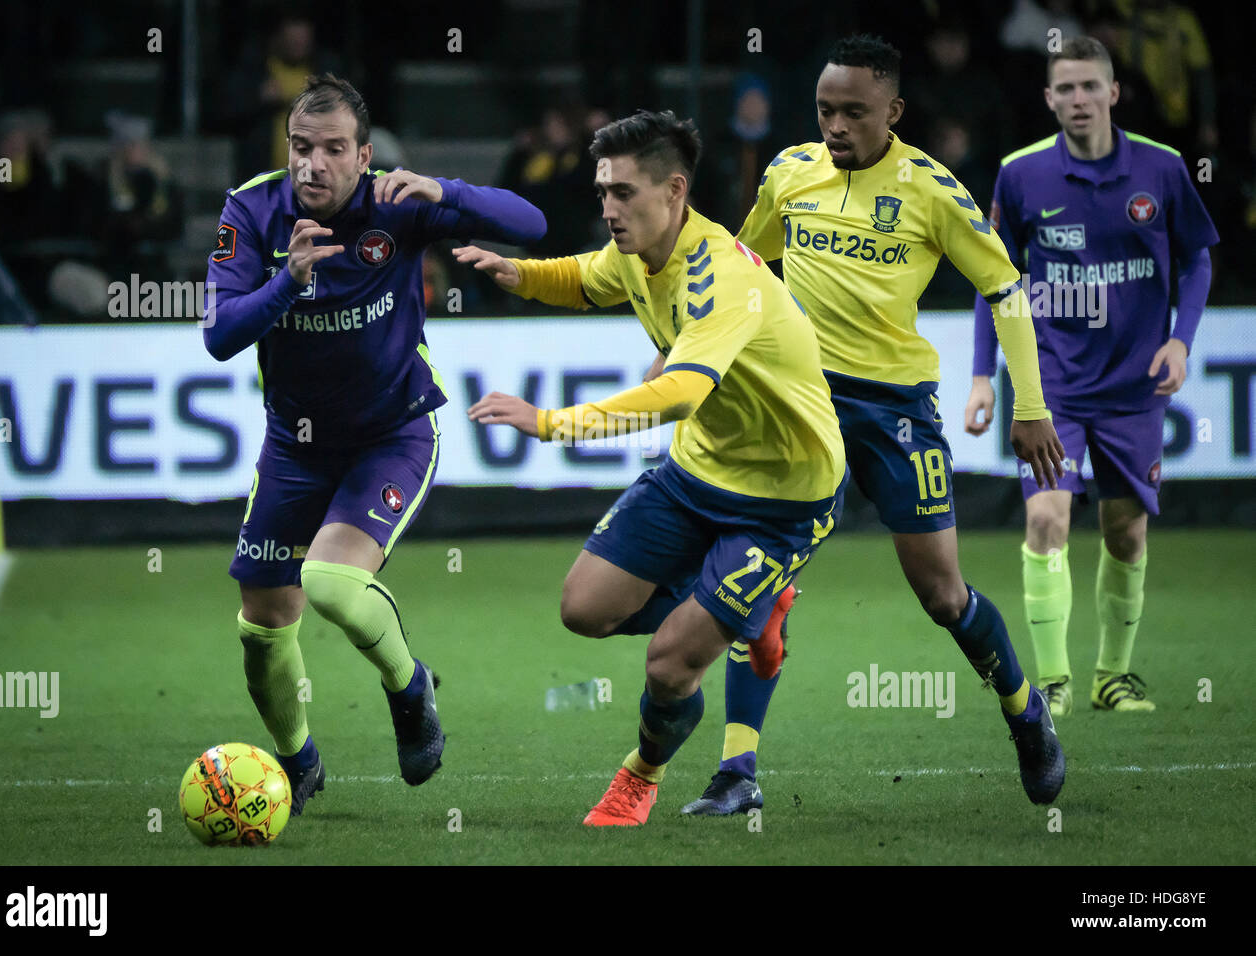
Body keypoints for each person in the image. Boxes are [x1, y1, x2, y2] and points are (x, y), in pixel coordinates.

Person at [688, 33, 1070, 815]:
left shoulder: (932, 190)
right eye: (825, 109)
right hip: (799, 404)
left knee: (942, 595)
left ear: (893, 111)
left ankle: (1026, 713)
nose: (835, 125)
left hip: (894, 409)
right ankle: (737, 772)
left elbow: (1005, 288)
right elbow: (740, 266)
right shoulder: (790, 173)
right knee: (756, 583)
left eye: (854, 112)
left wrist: (1029, 404)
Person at [455, 109, 848, 826]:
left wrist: (549, 423)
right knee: (584, 609)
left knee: (670, 665)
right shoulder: (638, 253)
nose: (608, 208)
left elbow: (680, 392)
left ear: (674, 190)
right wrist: (515, 273)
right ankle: (748, 612)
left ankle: (641, 775)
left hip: (784, 499)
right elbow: (584, 280)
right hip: (697, 474)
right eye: (602, 191)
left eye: (623, 193)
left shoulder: (723, 277)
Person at [202, 73, 546, 813]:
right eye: (300, 148)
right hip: (294, 448)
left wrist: (447, 191)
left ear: (363, 157)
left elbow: (532, 224)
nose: (312, 165)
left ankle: (408, 685)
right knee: (261, 630)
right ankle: (298, 762)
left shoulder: (397, 203)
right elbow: (222, 336)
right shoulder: (251, 209)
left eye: (332, 150)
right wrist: (286, 283)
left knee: (328, 582)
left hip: (392, 434)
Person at [964, 37, 1218, 716]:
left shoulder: (1162, 170)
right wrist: (983, 377)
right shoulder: (1020, 176)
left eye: (1089, 87)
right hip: (1050, 385)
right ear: (1049, 99)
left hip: (1135, 386)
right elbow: (998, 281)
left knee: (1125, 531)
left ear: (1113, 93)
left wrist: (1181, 341)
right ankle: (1053, 682)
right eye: (1065, 89)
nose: (1078, 100)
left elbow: (1197, 260)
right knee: (1046, 518)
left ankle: (1113, 675)